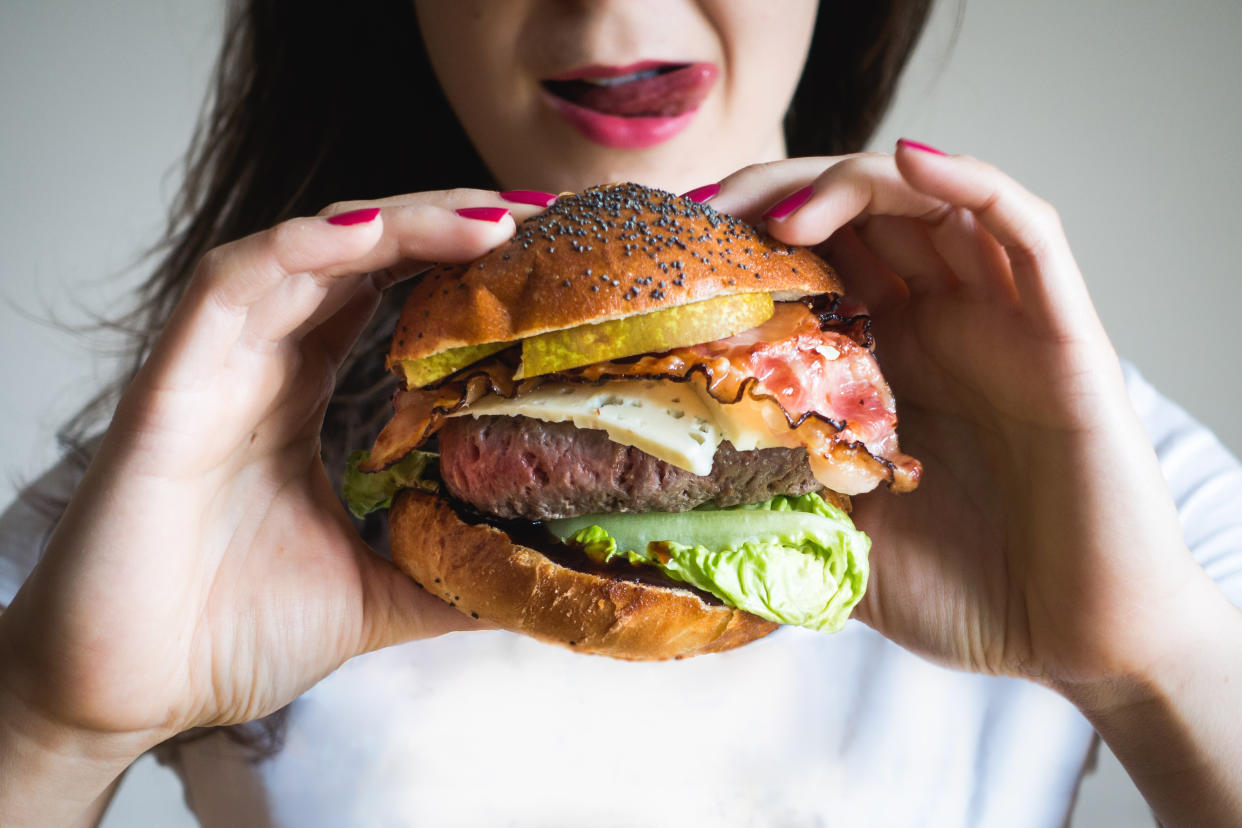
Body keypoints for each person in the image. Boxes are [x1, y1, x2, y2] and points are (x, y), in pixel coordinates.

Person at [1, 1, 1240, 825]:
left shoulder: (1124, 482)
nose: (607, 7)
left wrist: (1159, 677)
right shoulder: (187, 480)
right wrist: (51, 730)